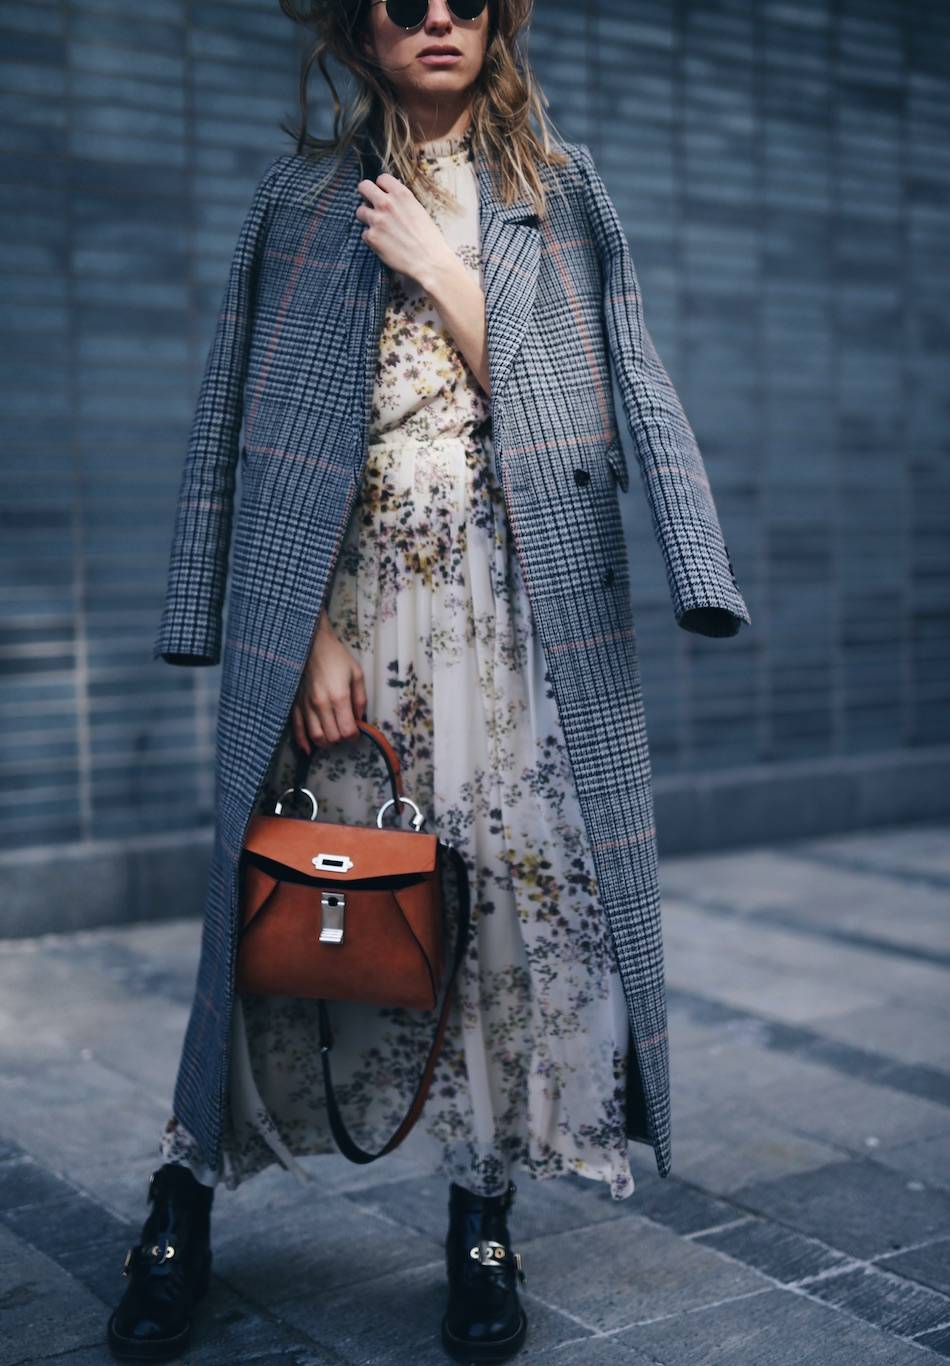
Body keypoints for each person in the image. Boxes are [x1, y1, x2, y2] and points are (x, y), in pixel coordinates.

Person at [106, 0, 751, 1360]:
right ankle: (182, 1190)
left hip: (507, 621)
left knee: (495, 918)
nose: (438, 16)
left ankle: (481, 1209)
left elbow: (603, 404)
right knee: (284, 913)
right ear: (361, 29)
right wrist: (290, 637)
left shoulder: (558, 195)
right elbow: (234, 416)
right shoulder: (297, 198)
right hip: (337, 625)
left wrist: (449, 277)